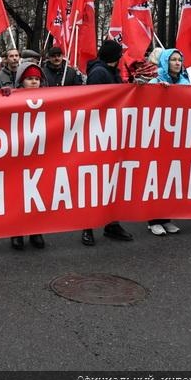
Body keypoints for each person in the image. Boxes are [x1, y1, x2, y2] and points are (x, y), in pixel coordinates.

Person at [81, 39, 134, 245]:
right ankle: (87, 226)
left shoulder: (111, 72)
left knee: (113, 181)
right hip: (100, 134)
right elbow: (95, 101)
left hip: (113, 133)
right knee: (96, 182)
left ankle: (112, 224)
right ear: (116, 57)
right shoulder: (99, 73)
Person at [145, 48, 188, 236]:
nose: (177, 63)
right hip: (158, 138)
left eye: (180, 60)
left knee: (172, 179)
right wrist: (156, 92)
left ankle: (166, 218)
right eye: (173, 60)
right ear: (165, 62)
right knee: (156, 179)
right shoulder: (155, 82)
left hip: (176, 139)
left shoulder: (186, 83)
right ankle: (153, 220)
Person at [9, 61, 47, 250]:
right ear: (21, 81)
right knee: (18, 195)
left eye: (36, 79)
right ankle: (16, 232)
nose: (33, 82)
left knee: (37, 194)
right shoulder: (11, 98)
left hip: (39, 156)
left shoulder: (49, 99)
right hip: (18, 156)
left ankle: (36, 231)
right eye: (29, 79)